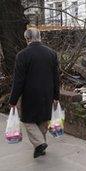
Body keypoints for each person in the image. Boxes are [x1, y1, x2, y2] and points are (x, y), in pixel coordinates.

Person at [9, 28, 60, 158]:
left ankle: (39, 143)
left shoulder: (22, 55)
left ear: (27, 39)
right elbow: (56, 77)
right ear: (40, 37)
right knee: (43, 119)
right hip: (47, 93)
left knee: (27, 120)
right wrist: (56, 96)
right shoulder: (51, 53)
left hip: (30, 94)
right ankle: (40, 148)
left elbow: (18, 81)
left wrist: (13, 100)